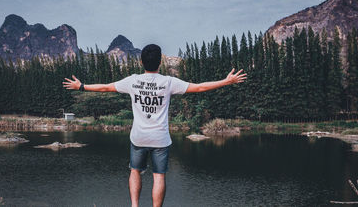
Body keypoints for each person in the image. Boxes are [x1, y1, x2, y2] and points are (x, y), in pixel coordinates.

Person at [63, 44, 247, 207]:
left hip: (138, 137)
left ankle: (134, 205)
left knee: (135, 171)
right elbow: (199, 87)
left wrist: (81, 86)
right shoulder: (168, 82)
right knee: (159, 176)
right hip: (160, 139)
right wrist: (226, 81)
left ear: (141, 62)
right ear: (160, 63)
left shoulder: (133, 81)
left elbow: (105, 87)